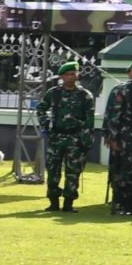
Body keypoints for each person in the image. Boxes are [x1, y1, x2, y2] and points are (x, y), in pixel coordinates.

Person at [37, 58, 97, 211]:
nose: (71, 77)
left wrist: (87, 138)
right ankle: (53, 202)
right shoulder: (54, 93)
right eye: (68, 74)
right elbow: (41, 109)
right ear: (62, 77)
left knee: (73, 172)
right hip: (56, 137)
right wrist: (46, 123)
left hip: (75, 138)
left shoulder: (85, 95)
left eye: (74, 74)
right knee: (53, 170)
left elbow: (90, 119)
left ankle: (69, 203)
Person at [102, 51, 132, 216]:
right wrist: (112, 138)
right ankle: (120, 205)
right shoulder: (122, 90)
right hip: (126, 136)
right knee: (123, 171)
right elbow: (112, 115)